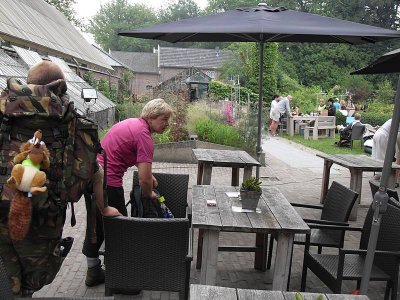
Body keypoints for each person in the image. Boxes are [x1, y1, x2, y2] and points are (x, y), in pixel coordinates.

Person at [0, 61, 119, 297]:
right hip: (43, 218)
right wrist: (104, 208)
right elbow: (80, 184)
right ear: (60, 87)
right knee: (30, 281)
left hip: (2, 209)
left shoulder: (5, 113)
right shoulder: (71, 122)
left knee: (7, 276)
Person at [82, 98, 173, 288]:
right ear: (151, 116)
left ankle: (94, 271)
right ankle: (122, 280)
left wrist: (149, 174)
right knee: (119, 230)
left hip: (91, 178)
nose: (167, 124)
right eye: (164, 119)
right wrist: (149, 194)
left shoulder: (131, 124)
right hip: (108, 182)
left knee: (96, 226)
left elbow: (126, 154)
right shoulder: (144, 136)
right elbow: (144, 181)